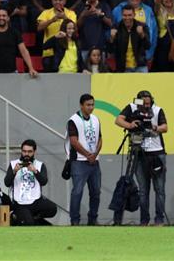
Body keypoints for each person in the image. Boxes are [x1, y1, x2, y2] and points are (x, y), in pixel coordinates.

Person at [113, 91, 168, 226]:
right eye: (144, 104)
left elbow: (165, 127)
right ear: (138, 102)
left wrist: (154, 127)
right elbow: (118, 120)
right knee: (143, 190)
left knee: (159, 189)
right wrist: (130, 125)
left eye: (149, 103)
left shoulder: (157, 110)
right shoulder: (131, 108)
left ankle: (159, 219)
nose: (147, 106)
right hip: (138, 151)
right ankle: (144, 220)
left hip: (156, 152)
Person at [4, 139, 57, 226]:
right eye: (24, 151)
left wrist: (35, 171)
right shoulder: (14, 164)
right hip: (20, 202)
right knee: (29, 223)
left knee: (52, 208)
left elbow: (44, 182)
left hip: (36, 201)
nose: (26, 154)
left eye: (29, 152)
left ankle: (25, 217)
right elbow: (6, 183)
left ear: (34, 152)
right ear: (21, 151)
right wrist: (14, 171)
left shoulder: (40, 164)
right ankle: (19, 216)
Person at [67, 93, 102, 226]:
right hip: (79, 161)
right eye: (88, 105)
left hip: (94, 161)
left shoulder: (96, 119)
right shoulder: (73, 120)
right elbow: (74, 141)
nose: (91, 107)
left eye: (92, 105)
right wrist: (88, 155)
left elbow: (100, 138)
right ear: (81, 105)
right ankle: (75, 221)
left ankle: (93, 219)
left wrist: (95, 154)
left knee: (96, 192)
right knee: (77, 191)